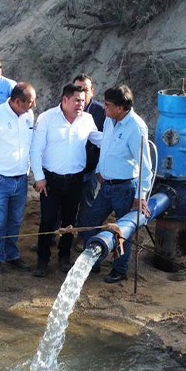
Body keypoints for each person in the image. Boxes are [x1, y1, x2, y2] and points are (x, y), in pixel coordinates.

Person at [29, 84, 102, 277]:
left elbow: (97, 139)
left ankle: (64, 256)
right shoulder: (47, 118)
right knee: (48, 220)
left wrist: (118, 140)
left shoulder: (87, 119)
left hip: (76, 179)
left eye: (83, 101)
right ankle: (42, 260)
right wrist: (39, 178)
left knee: (70, 221)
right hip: (50, 180)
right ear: (65, 100)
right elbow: (35, 150)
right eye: (77, 100)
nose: (81, 104)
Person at [83, 85, 153, 284]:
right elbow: (105, 146)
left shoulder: (136, 128)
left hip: (125, 188)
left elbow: (145, 165)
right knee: (91, 221)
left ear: (121, 107)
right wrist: (100, 170)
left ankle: (120, 269)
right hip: (106, 185)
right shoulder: (110, 120)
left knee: (123, 229)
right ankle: (93, 262)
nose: (104, 108)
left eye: (108, 105)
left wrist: (140, 196)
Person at [0, 82, 36, 274]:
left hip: (21, 179)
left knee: (16, 221)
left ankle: (12, 255)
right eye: (30, 102)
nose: (34, 105)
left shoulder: (28, 116)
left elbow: (30, 145)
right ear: (17, 101)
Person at [73, 74, 107, 250]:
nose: (82, 93)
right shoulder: (65, 108)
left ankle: (82, 236)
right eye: (77, 89)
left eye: (85, 89)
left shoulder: (101, 112)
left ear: (92, 91)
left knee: (87, 203)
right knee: (62, 203)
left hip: (91, 167)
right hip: (68, 168)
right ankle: (55, 234)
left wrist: (101, 168)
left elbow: (105, 141)